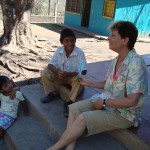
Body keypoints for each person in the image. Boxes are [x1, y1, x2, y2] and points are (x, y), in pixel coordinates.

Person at [47, 21, 148, 150]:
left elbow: (132, 100)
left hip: (125, 114)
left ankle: (54, 148)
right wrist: (88, 83)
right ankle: (69, 147)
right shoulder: (116, 60)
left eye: (112, 35)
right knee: (73, 108)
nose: (108, 38)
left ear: (125, 40)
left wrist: (105, 102)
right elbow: (108, 84)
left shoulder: (136, 64)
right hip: (108, 100)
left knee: (83, 118)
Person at [41, 28, 87, 117]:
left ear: (75, 41)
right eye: (66, 41)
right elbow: (50, 64)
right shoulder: (59, 50)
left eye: (72, 40)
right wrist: (57, 72)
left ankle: (69, 101)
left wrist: (69, 74)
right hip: (60, 77)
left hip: (72, 78)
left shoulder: (80, 52)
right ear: (61, 42)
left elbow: (84, 71)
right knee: (44, 72)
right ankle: (53, 93)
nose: (70, 43)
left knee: (80, 79)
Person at [0, 76, 29, 144]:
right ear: (1, 90)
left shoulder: (18, 94)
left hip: (10, 116)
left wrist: (26, 111)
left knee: (0, 128)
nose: (9, 85)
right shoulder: (1, 95)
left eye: (9, 82)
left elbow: (23, 102)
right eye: (5, 85)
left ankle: (0, 138)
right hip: (1, 113)